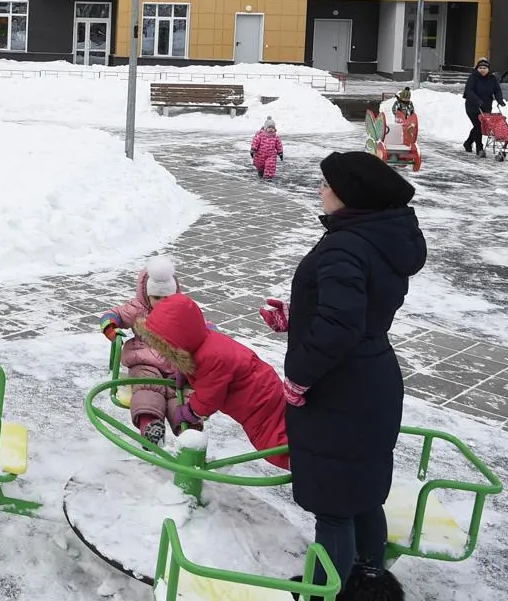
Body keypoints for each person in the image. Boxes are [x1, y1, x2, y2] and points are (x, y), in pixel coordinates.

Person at [258, 151, 425, 601]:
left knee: (333, 507)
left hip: (340, 391)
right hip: (372, 381)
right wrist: (299, 317)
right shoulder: (379, 236)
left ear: (350, 195)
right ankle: (368, 585)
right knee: (363, 495)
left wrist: (299, 375)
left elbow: (341, 325)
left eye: (326, 184)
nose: (321, 190)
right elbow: (359, 311)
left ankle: (328, 594)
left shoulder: (345, 245)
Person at [132, 292, 290, 468]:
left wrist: (191, 411)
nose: (161, 353)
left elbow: (210, 397)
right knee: (286, 428)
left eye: (165, 348)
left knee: (272, 441)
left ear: (177, 344)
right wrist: (186, 372)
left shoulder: (212, 358)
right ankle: (314, 455)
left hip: (257, 403)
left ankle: (308, 467)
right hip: (262, 388)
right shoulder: (204, 343)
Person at [97, 256, 184, 444]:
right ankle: (150, 427)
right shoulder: (138, 308)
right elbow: (115, 314)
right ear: (146, 295)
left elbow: (199, 325)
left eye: (166, 298)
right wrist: (111, 325)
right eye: (156, 298)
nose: (161, 302)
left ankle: (188, 430)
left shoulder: (182, 310)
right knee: (147, 388)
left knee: (179, 394)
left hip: (176, 364)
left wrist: (210, 332)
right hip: (145, 359)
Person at [461, 60, 504, 157]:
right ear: (477, 69)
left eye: (484, 68)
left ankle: (468, 143)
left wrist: (500, 100)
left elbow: (497, 90)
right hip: (472, 106)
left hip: (486, 107)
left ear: (488, 69)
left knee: (479, 126)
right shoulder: (473, 78)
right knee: (478, 126)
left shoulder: (492, 79)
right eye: (480, 68)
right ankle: (479, 148)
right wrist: (477, 100)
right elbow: (469, 91)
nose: (482, 70)